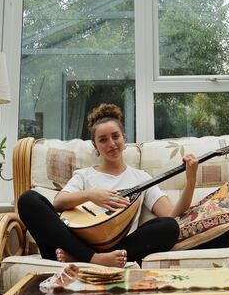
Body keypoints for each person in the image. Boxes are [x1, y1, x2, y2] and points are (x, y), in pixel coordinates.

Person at [17, 103, 198, 267]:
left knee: (169, 227)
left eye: (115, 136)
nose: (111, 144)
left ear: (124, 138)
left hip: (115, 248)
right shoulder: (84, 175)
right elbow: (58, 202)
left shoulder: (141, 177)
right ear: (95, 146)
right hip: (69, 245)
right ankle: (93, 258)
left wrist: (190, 181)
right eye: (103, 140)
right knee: (28, 200)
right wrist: (92, 195)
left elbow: (170, 215)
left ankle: (86, 258)